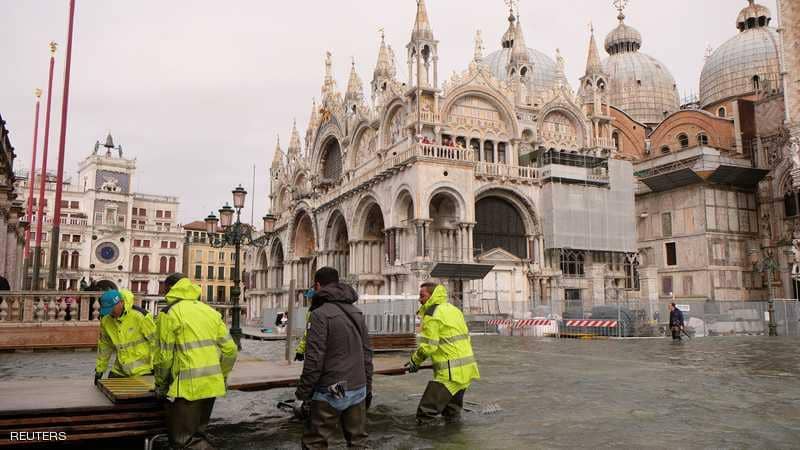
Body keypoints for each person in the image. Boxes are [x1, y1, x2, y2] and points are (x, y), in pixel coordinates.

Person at [154, 273, 238, 450]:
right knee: (198, 435)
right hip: (211, 385)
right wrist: (221, 375)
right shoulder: (210, 312)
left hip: (187, 387)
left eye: (164, 289)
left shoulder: (169, 313)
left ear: (170, 289)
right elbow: (230, 350)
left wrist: (161, 385)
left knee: (183, 442)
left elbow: (164, 356)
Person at [295, 267, 373, 449]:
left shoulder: (319, 314)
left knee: (315, 442)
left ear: (317, 285)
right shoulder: (356, 312)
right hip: (358, 387)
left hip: (333, 389)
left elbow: (314, 360)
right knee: (358, 442)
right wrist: (368, 386)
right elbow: (367, 354)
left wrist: (302, 394)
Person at [405, 282, 480, 425]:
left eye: (422, 296)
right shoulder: (454, 310)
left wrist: (415, 361)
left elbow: (428, 347)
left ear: (432, 296)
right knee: (451, 414)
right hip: (466, 371)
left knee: (425, 414)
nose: (419, 299)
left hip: (449, 375)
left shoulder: (432, 314)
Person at [95, 289, 156, 384]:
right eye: (107, 310)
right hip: (120, 369)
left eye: (112, 309)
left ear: (121, 303)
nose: (110, 313)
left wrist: (156, 367)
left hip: (144, 370)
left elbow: (155, 342)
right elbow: (105, 346)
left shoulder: (140, 316)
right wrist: (100, 369)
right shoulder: (106, 320)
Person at [295, 288, 320, 362]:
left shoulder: (312, 312)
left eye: (310, 299)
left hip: (315, 350)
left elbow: (308, 333)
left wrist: (300, 350)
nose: (309, 301)